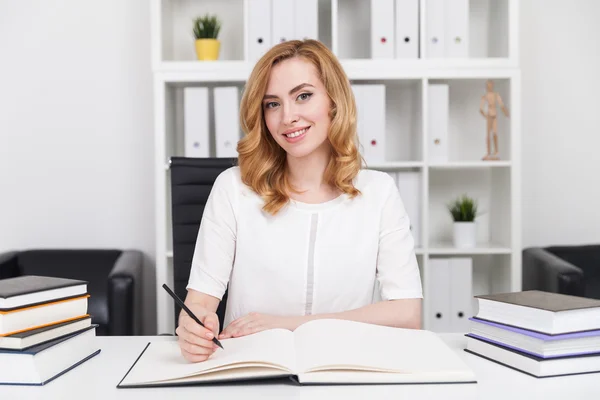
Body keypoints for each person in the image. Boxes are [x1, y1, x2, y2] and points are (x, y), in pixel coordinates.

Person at [176, 39, 423, 363]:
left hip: (343, 369)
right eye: (272, 104)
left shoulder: (379, 192)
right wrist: (192, 328)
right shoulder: (233, 188)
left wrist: (288, 326)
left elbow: (408, 314)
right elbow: (199, 304)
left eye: (303, 96)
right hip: (252, 369)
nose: (288, 116)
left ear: (334, 101)